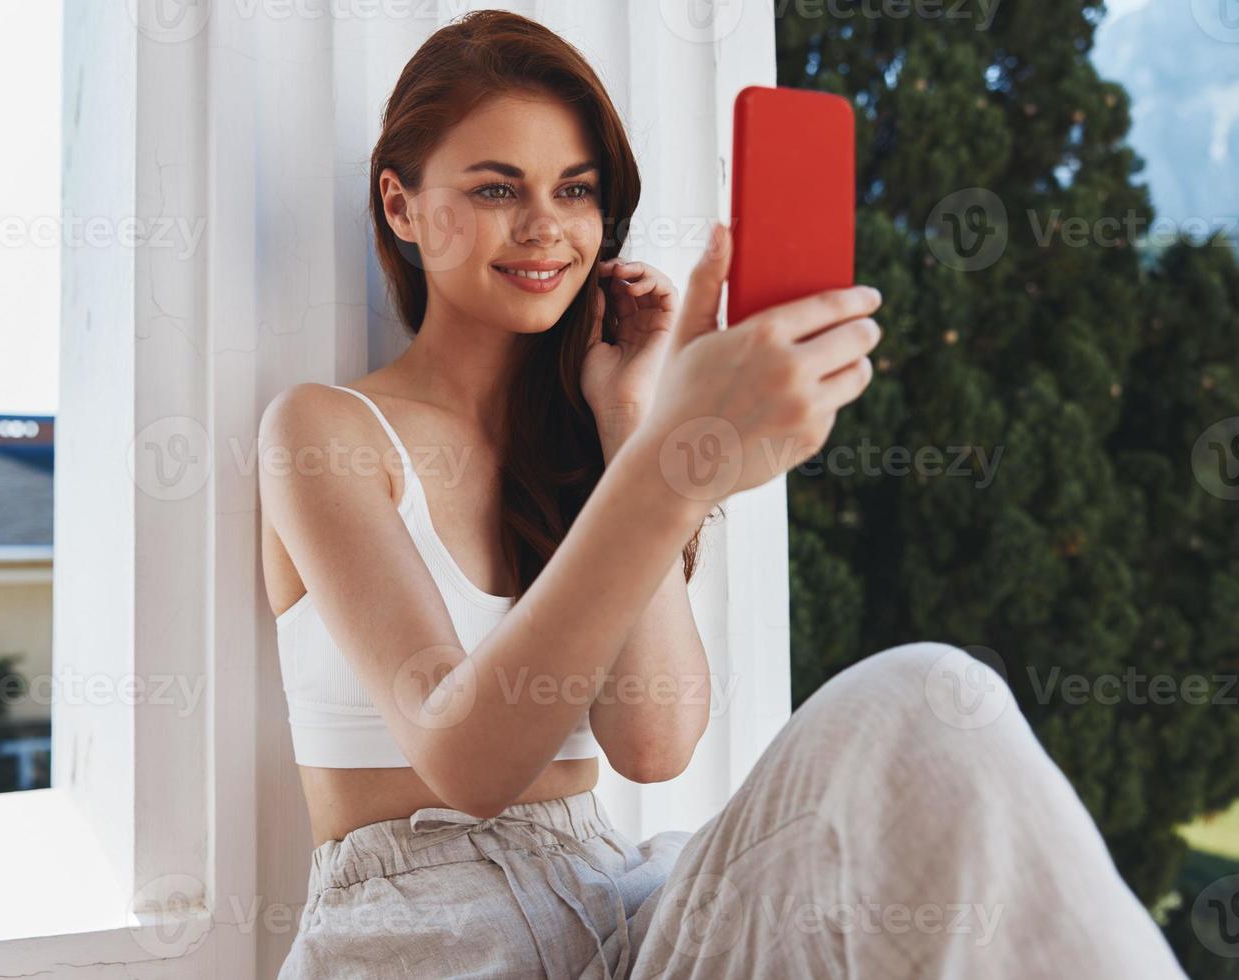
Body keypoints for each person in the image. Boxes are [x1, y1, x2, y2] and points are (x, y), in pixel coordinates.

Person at [259, 10, 1189, 978]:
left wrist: (630, 424)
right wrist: (671, 471)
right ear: (401, 206)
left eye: (576, 190)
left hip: (610, 911)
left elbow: (654, 741)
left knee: (932, 697)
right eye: (497, 188)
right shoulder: (322, 432)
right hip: (422, 941)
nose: (545, 227)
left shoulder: (589, 448)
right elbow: (467, 759)